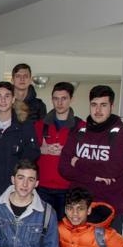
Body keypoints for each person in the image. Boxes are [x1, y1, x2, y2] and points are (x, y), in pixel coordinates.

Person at [58, 85, 123, 235]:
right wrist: (95, 176)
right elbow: (64, 168)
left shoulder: (121, 136)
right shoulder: (79, 133)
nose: (98, 110)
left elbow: (113, 170)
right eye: (94, 105)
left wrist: (78, 162)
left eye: (103, 105)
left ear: (111, 106)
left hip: (111, 209)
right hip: (79, 209)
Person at [0, 81, 39, 206]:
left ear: (13, 99)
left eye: (7, 96)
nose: (3, 100)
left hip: (15, 192)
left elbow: (32, 156)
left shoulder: (25, 125)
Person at [34, 82, 85, 220]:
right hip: (43, 188)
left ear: (71, 99)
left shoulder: (81, 127)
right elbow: (28, 152)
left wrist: (67, 152)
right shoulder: (39, 125)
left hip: (68, 189)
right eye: (56, 98)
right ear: (52, 100)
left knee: (66, 231)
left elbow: (87, 157)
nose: (60, 103)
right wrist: (41, 150)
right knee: (43, 229)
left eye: (64, 98)